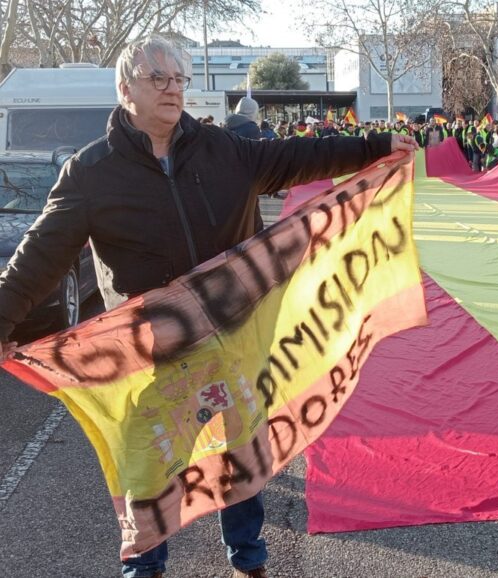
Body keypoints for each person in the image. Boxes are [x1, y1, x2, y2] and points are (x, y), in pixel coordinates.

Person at [0, 36, 417, 578]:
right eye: (159, 79)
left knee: (241, 448)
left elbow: (299, 158)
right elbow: (39, 256)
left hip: (236, 339)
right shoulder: (90, 173)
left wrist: (377, 146)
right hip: (153, 354)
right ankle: (145, 564)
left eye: (179, 79)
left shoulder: (224, 150)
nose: (173, 89)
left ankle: (248, 557)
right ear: (125, 88)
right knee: (147, 466)